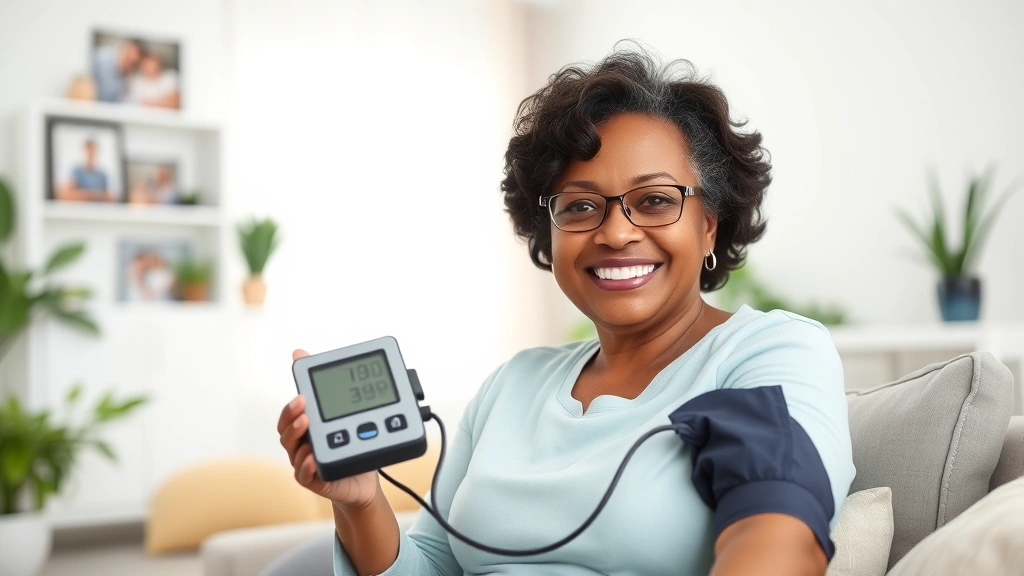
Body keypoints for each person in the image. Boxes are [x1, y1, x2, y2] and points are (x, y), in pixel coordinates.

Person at [277, 47, 854, 576]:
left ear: (710, 224)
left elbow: (780, 536)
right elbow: (430, 563)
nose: (617, 232)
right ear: (546, 234)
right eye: (580, 206)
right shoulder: (513, 384)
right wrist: (360, 501)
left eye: (655, 200)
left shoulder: (763, 354)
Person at [93, 38, 142, 103]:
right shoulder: (102, 57)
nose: (129, 63)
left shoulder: (125, 78)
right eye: (128, 58)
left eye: (133, 63)